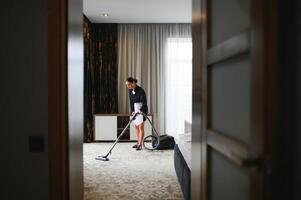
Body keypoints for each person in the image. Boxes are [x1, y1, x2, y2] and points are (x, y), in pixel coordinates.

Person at [126, 77, 148, 151]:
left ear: (133, 83)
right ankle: (138, 142)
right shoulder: (130, 91)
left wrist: (141, 110)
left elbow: (144, 102)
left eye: (129, 84)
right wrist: (132, 110)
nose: (128, 86)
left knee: (140, 127)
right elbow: (131, 102)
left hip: (141, 109)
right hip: (135, 109)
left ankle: (140, 144)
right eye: (127, 85)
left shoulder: (141, 90)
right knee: (136, 126)